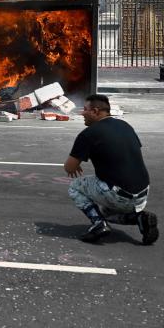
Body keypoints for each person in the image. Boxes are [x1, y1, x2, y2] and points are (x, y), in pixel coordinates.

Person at [65, 94, 157, 244]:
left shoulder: (89, 134)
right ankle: (140, 218)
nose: (82, 113)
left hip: (118, 195)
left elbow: (69, 167)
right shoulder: (125, 126)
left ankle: (98, 224)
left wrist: (78, 162)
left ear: (95, 111)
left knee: (75, 186)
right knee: (106, 211)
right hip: (142, 194)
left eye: (85, 109)